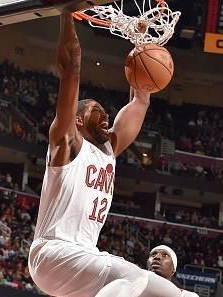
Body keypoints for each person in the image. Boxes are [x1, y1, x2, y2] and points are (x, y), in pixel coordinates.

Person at [28, 13, 181, 297]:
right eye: (95, 109)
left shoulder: (108, 152)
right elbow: (71, 67)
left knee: (129, 286)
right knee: (134, 277)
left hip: (81, 259)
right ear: (76, 121)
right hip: (53, 252)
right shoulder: (67, 144)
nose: (105, 114)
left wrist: (141, 43)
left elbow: (140, 99)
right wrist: (66, 13)